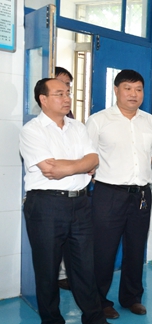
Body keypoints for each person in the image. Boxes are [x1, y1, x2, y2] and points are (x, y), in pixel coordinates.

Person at [20, 78, 121, 324]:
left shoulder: (78, 127)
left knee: (84, 266)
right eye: (59, 94)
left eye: (68, 93)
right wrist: (80, 165)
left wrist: (69, 167)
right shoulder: (32, 131)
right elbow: (48, 169)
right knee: (47, 267)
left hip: (80, 204)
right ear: (43, 99)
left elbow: (93, 159)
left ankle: (94, 318)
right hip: (46, 205)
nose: (66, 98)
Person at [86, 69, 152, 319]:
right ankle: (99, 301)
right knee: (103, 250)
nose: (133, 94)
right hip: (108, 194)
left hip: (141, 195)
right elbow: (88, 158)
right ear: (116, 90)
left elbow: (150, 157)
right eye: (128, 88)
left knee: (136, 248)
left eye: (138, 89)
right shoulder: (98, 121)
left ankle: (131, 297)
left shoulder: (150, 122)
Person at [54, 66, 75, 291]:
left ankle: (66, 273)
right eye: (61, 84)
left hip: (75, 191)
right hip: (51, 191)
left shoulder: (71, 119)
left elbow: (88, 157)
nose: (65, 89)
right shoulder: (40, 122)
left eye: (68, 85)